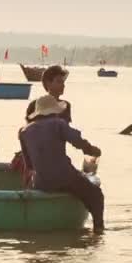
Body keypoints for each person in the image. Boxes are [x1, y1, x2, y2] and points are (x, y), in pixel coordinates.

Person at [19, 95, 104, 233]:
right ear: (55, 111)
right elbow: (77, 141)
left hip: (42, 182)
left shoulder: (24, 131)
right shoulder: (58, 123)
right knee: (96, 195)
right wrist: (91, 149)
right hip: (65, 178)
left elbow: (29, 165)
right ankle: (98, 230)